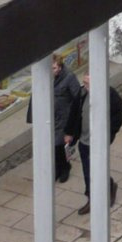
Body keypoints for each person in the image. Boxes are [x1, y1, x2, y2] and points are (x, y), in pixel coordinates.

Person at [72, 73, 122, 215]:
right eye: (84, 83)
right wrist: (69, 133)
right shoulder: (82, 94)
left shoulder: (110, 95)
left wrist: (108, 133)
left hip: (100, 141)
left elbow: (119, 115)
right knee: (87, 171)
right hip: (84, 140)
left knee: (98, 169)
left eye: (88, 83)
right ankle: (92, 198)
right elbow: (74, 113)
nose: (85, 86)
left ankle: (108, 188)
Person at [27, 53, 83, 185]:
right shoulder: (44, 77)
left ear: (60, 67)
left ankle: (65, 168)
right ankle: (57, 168)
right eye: (50, 68)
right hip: (48, 117)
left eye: (54, 68)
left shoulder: (69, 77)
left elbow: (77, 97)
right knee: (51, 145)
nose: (51, 71)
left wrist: (75, 117)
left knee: (59, 145)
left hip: (63, 118)